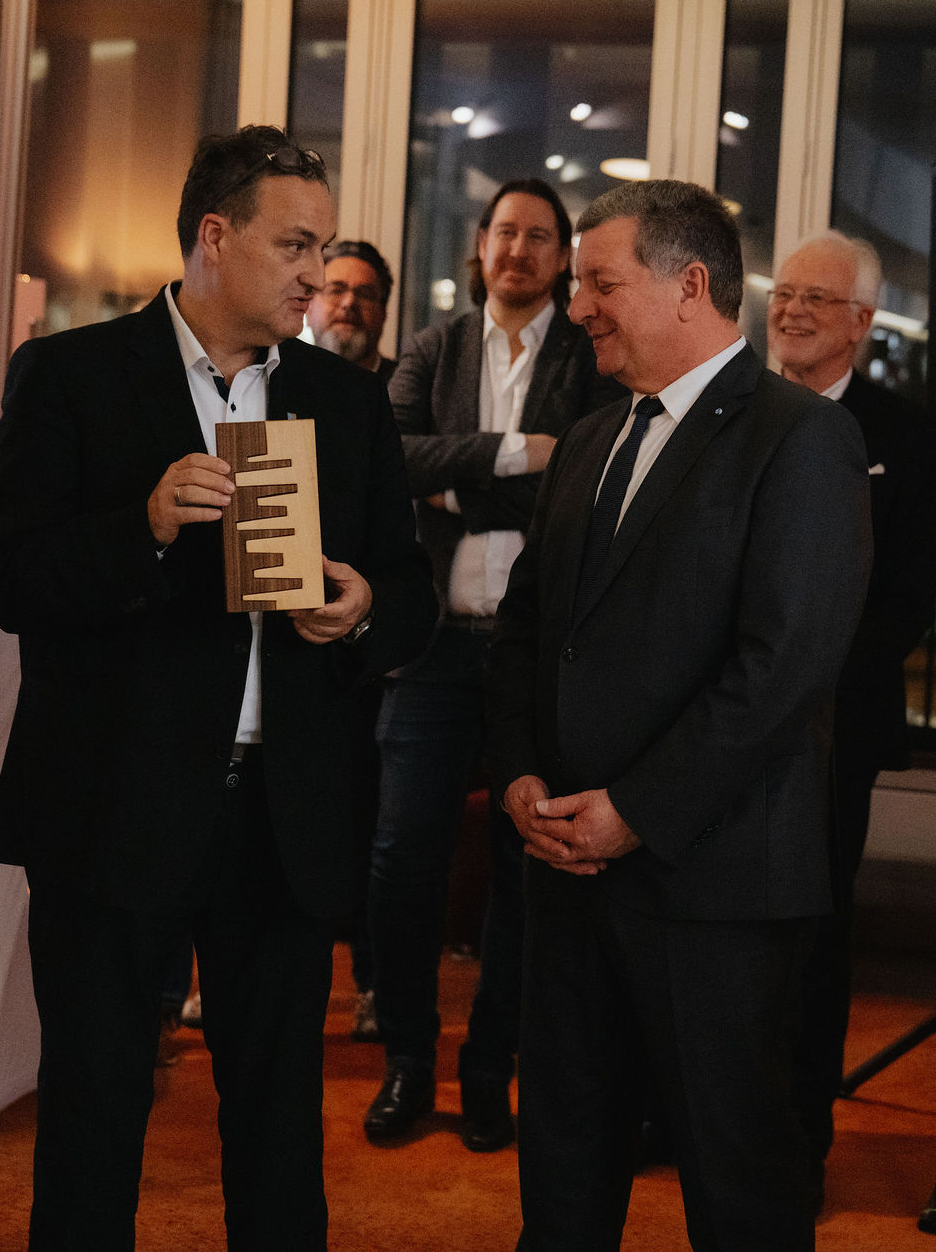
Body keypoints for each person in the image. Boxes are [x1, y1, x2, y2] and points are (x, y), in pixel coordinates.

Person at [0, 125, 435, 1250]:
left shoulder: (345, 401)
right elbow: (10, 582)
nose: (316, 274)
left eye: (322, 247)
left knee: (278, 1133)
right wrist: (138, 526)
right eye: (294, 244)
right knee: (92, 1120)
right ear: (213, 237)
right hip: (112, 807)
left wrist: (360, 607)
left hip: (285, 817)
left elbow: (411, 598)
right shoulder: (72, 375)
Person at [487, 179, 872, 1250]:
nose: (576, 307)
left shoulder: (801, 439)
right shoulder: (588, 438)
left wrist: (635, 812)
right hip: (566, 873)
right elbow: (525, 634)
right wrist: (520, 777)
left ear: (689, 285)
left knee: (736, 1187)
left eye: (600, 284)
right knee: (562, 1173)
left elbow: (783, 667)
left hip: (716, 890)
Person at [366, 179, 621, 1152]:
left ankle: (487, 1070)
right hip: (431, 646)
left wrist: (455, 481)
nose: (518, 249)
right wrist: (516, 455)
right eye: (504, 232)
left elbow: (590, 477)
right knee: (401, 858)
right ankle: (406, 1058)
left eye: (538, 236)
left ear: (562, 256)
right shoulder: (433, 348)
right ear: (480, 245)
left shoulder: (588, 357)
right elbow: (389, 459)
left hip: (534, 656)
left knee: (525, 871)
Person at [767, 231, 936, 1197]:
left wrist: (799, 686)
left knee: (813, 935)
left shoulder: (907, 439)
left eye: (816, 299)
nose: (791, 310)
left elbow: (906, 603)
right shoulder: (729, 410)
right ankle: (685, 1118)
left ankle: (799, 1141)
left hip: (833, 734)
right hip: (713, 726)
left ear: (863, 322)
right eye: (784, 293)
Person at [303, 234, 400, 1041]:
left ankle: (371, 981)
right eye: (335, 288)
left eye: (365, 293)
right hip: (280, 643)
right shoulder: (278, 387)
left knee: (373, 823)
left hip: (373, 648)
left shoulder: (396, 392)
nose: (347, 303)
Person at [307, 239, 397, 384]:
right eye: (335, 291)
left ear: (383, 312)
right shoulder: (282, 382)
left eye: (364, 294)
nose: (349, 303)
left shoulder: (408, 387)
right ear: (308, 308)